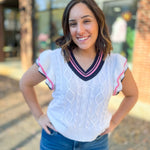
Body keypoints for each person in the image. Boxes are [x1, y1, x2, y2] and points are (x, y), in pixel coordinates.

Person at [19, 0, 138, 149]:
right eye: (73, 24)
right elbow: (25, 83)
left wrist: (114, 122)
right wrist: (39, 116)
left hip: (96, 143)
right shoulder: (54, 59)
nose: (80, 30)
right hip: (56, 140)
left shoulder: (115, 63)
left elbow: (132, 95)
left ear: (99, 22)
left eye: (86, 21)